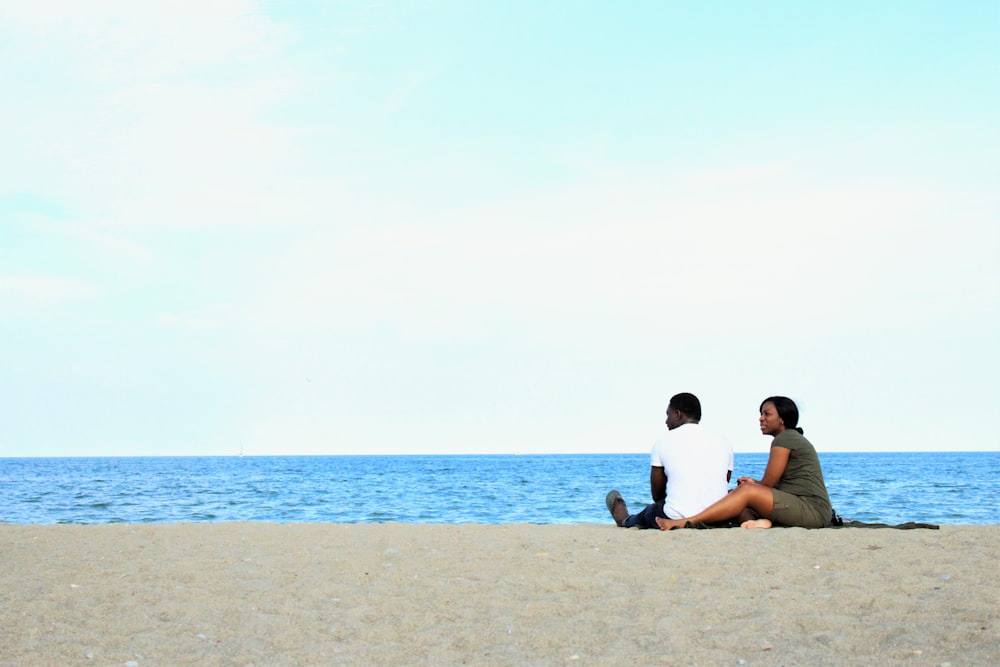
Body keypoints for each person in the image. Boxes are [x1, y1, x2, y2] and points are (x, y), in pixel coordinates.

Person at [655, 395, 833, 530]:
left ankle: (686, 522)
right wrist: (754, 483)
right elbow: (775, 484)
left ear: (782, 419)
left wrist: (753, 486)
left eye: (767, 414)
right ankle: (755, 523)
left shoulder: (785, 439)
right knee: (734, 496)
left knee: (744, 492)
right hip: (799, 504)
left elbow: (768, 485)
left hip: (812, 511)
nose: (761, 418)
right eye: (761, 414)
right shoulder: (790, 438)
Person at [605, 392, 733, 529]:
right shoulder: (723, 442)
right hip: (718, 518)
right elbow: (724, 480)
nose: (666, 421)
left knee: (650, 512)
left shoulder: (663, 441)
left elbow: (657, 494)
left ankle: (624, 519)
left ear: (677, 414)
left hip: (675, 517)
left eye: (668, 415)